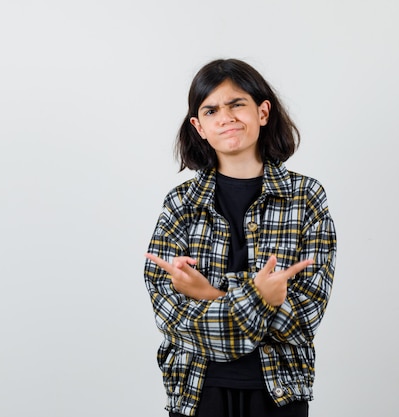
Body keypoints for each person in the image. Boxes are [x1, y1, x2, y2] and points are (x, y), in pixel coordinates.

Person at [144, 58, 337, 417]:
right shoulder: (179, 203)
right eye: (212, 109)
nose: (226, 117)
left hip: (279, 392)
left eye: (237, 104)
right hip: (196, 391)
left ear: (263, 112)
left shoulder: (306, 197)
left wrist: (208, 294)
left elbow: (304, 318)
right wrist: (261, 296)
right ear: (198, 126)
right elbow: (171, 317)